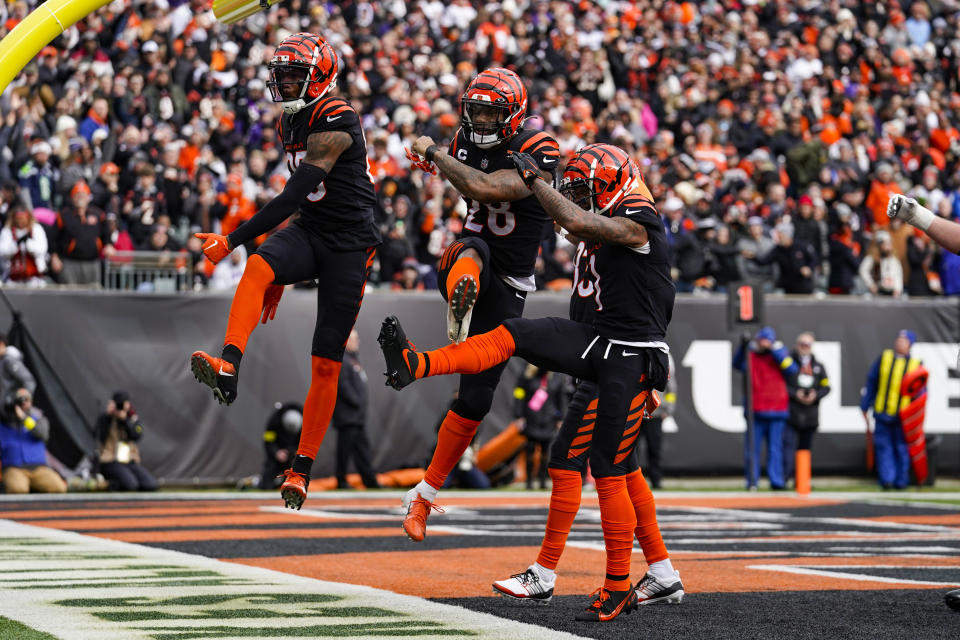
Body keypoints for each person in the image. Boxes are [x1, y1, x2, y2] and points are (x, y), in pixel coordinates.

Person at [380, 143, 675, 622]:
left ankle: (618, 582)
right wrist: (528, 186)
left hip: (627, 355)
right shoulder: (614, 206)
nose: (577, 199)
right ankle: (420, 363)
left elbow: (578, 224)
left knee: (610, 468)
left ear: (612, 185)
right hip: (599, 343)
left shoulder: (639, 219)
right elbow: (566, 220)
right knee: (517, 339)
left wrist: (534, 179)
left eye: (585, 190)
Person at [188, 33, 381, 510]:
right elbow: (306, 206)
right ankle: (228, 365)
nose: (286, 83)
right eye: (283, 74)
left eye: (295, 75)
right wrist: (277, 271)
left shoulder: (338, 117)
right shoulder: (290, 120)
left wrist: (230, 238)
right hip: (311, 229)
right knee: (257, 268)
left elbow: (294, 193)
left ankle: (302, 469)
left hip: (350, 247)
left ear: (320, 77)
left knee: (325, 359)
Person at [401, 67, 560, 540]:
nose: (483, 120)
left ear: (514, 116)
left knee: (476, 398)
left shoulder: (539, 148)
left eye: (493, 112)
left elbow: (489, 189)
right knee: (474, 249)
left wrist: (431, 151)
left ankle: (424, 496)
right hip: (466, 257)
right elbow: (465, 181)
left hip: (512, 280)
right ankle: (460, 298)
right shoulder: (463, 142)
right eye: (477, 110)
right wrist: (435, 154)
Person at [733, 326, 798, 490]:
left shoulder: (780, 353)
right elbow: (736, 365)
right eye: (762, 340)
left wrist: (774, 351)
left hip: (777, 409)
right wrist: (743, 347)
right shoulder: (751, 355)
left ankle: (776, 481)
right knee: (752, 450)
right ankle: (752, 481)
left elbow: (792, 369)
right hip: (755, 410)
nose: (764, 343)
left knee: (775, 449)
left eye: (767, 340)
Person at [860, 330, 921, 490]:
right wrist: (865, 404)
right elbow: (872, 382)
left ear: (910, 344)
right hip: (882, 412)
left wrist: (914, 416)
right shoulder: (885, 358)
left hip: (903, 416)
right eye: (898, 339)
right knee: (883, 447)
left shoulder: (916, 365)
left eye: (904, 340)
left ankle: (901, 481)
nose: (899, 343)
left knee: (901, 448)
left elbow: (920, 393)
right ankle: (887, 480)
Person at [333, 330, 379, 489]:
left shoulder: (353, 361)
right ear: (347, 341)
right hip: (347, 416)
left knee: (362, 450)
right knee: (344, 451)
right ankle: (341, 481)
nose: (358, 342)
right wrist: (357, 401)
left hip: (356, 416)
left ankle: (370, 481)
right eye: (355, 339)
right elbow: (343, 385)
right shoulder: (344, 361)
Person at [783, 332, 830, 484]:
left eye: (808, 344)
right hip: (791, 413)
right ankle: (785, 477)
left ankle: (801, 479)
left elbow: (826, 387)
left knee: (805, 449)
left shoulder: (818, 366)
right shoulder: (788, 363)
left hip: (810, 414)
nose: (804, 347)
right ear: (797, 345)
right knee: (788, 447)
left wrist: (815, 395)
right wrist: (795, 393)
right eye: (802, 344)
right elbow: (781, 385)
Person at [0, 387, 66, 494]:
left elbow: (42, 433)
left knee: (59, 487)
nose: (24, 403)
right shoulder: (4, 424)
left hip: (38, 468)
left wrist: (24, 418)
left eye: (27, 400)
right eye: (20, 400)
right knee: (18, 489)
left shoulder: (38, 419)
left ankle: (35, 487)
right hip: (14, 468)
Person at [513, 365, 567, 490]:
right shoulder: (527, 374)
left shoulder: (557, 377)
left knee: (545, 452)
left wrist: (561, 419)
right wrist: (519, 415)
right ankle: (529, 481)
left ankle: (543, 480)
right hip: (531, 418)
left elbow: (561, 398)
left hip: (549, 420)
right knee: (530, 450)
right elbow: (519, 395)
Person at [94, 391, 157, 491]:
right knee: (131, 485)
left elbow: (137, 435)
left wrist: (125, 420)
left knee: (150, 484)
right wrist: (108, 416)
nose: (120, 407)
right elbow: (99, 436)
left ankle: (121, 480)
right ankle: (108, 484)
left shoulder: (132, 418)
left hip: (128, 461)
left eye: (122, 404)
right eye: (118, 404)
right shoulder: (106, 418)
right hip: (110, 460)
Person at [638, 353, 675, 490]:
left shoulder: (663, 363)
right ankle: (634, 481)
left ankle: (656, 480)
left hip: (655, 413)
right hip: (638, 412)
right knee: (633, 449)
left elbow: (671, 388)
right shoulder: (636, 360)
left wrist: (668, 409)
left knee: (654, 448)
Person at [258, 402, 303, 490]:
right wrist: (276, 452)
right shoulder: (274, 421)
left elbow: (306, 443)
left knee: (299, 471)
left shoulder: (306, 424)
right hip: (277, 451)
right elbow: (268, 441)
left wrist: (296, 453)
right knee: (267, 483)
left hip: (294, 454)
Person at [0, 333, 36, 402]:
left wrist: (23, 400)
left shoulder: (9, 360)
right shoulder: (2, 360)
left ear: (1, 344)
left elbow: (28, 380)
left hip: (12, 405)